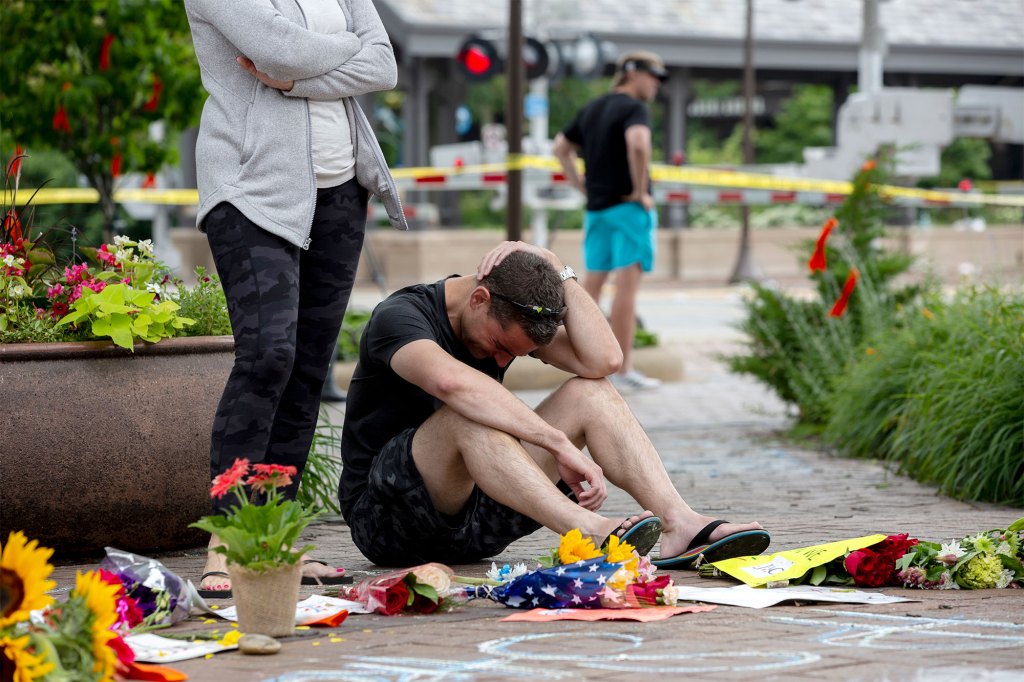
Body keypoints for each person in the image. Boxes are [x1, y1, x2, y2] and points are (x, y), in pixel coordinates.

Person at [338, 241, 769, 569]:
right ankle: (592, 533)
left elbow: (605, 361)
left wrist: (553, 265)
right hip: (388, 521)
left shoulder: (505, 321)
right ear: (479, 299)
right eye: (501, 345)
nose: (503, 360)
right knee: (468, 413)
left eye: (517, 354)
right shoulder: (399, 316)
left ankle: (681, 525)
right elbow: (454, 384)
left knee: (592, 392)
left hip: (478, 520)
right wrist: (557, 443)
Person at [184, 0, 407, 597]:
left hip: (339, 192)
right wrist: (339, 59)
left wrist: (297, 79)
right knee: (267, 356)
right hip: (250, 187)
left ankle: (276, 536)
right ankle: (227, 538)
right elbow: (277, 50)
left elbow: (385, 66)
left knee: (308, 368)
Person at [553, 50, 667, 392]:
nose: (657, 85)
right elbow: (638, 143)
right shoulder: (634, 109)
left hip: (597, 210)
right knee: (626, 290)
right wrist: (639, 189)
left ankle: (586, 362)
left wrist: (580, 184)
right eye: (654, 77)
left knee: (592, 286)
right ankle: (622, 368)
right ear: (633, 74)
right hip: (628, 209)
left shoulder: (593, 108)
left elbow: (560, 147)